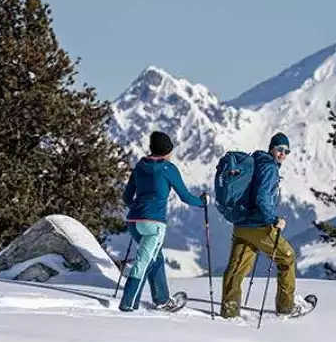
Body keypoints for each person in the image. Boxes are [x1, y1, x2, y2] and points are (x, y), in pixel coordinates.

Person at [220, 132, 307, 318]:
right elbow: (262, 197)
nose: (283, 154)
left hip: (241, 224)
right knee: (287, 259)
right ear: (271, 149)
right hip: (259, 226)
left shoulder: (255, 162)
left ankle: (229, 310)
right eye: (280, 149)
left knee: (237, 268)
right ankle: (286, 307)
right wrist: (273, 219)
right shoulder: (269, 168)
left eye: (286, 151)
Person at [119, 130, 207, 312]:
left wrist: (139, 208)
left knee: (155, 258)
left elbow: (127, 197)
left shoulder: (140, 166)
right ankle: (127, 305)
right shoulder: (168, 169)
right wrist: (202, 202)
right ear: (167, 151)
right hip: (154, 224)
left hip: (134, 222)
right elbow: (185, 196)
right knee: (144, 262)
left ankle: (162, 299)